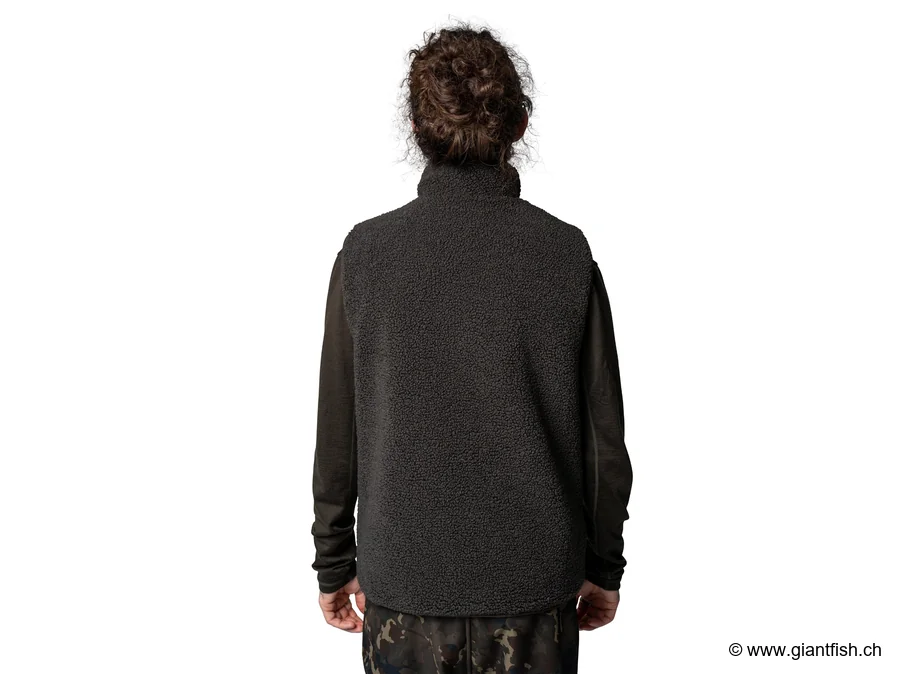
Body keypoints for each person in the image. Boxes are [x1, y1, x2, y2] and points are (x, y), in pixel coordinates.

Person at [310, 21, 633, 673]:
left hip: (405, 586)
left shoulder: (367, 255)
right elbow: (604, 439)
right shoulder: (563, 254)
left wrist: (333, 562)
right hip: (534, 591)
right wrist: (604, 566)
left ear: (418, 129)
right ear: (518, 126)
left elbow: (338, 428)